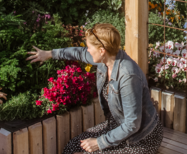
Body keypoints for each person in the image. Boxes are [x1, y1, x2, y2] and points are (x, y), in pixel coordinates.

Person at [27, 23, 162, 154]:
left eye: (89, 47)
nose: (88, 51)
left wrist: (99, 142)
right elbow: (78, 53)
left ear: (102, 51)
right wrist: (50, 54)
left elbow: (132, 125)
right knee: (71, 148)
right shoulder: (106, 59)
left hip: (141, 138)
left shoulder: (128, 77)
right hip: (116, 126)